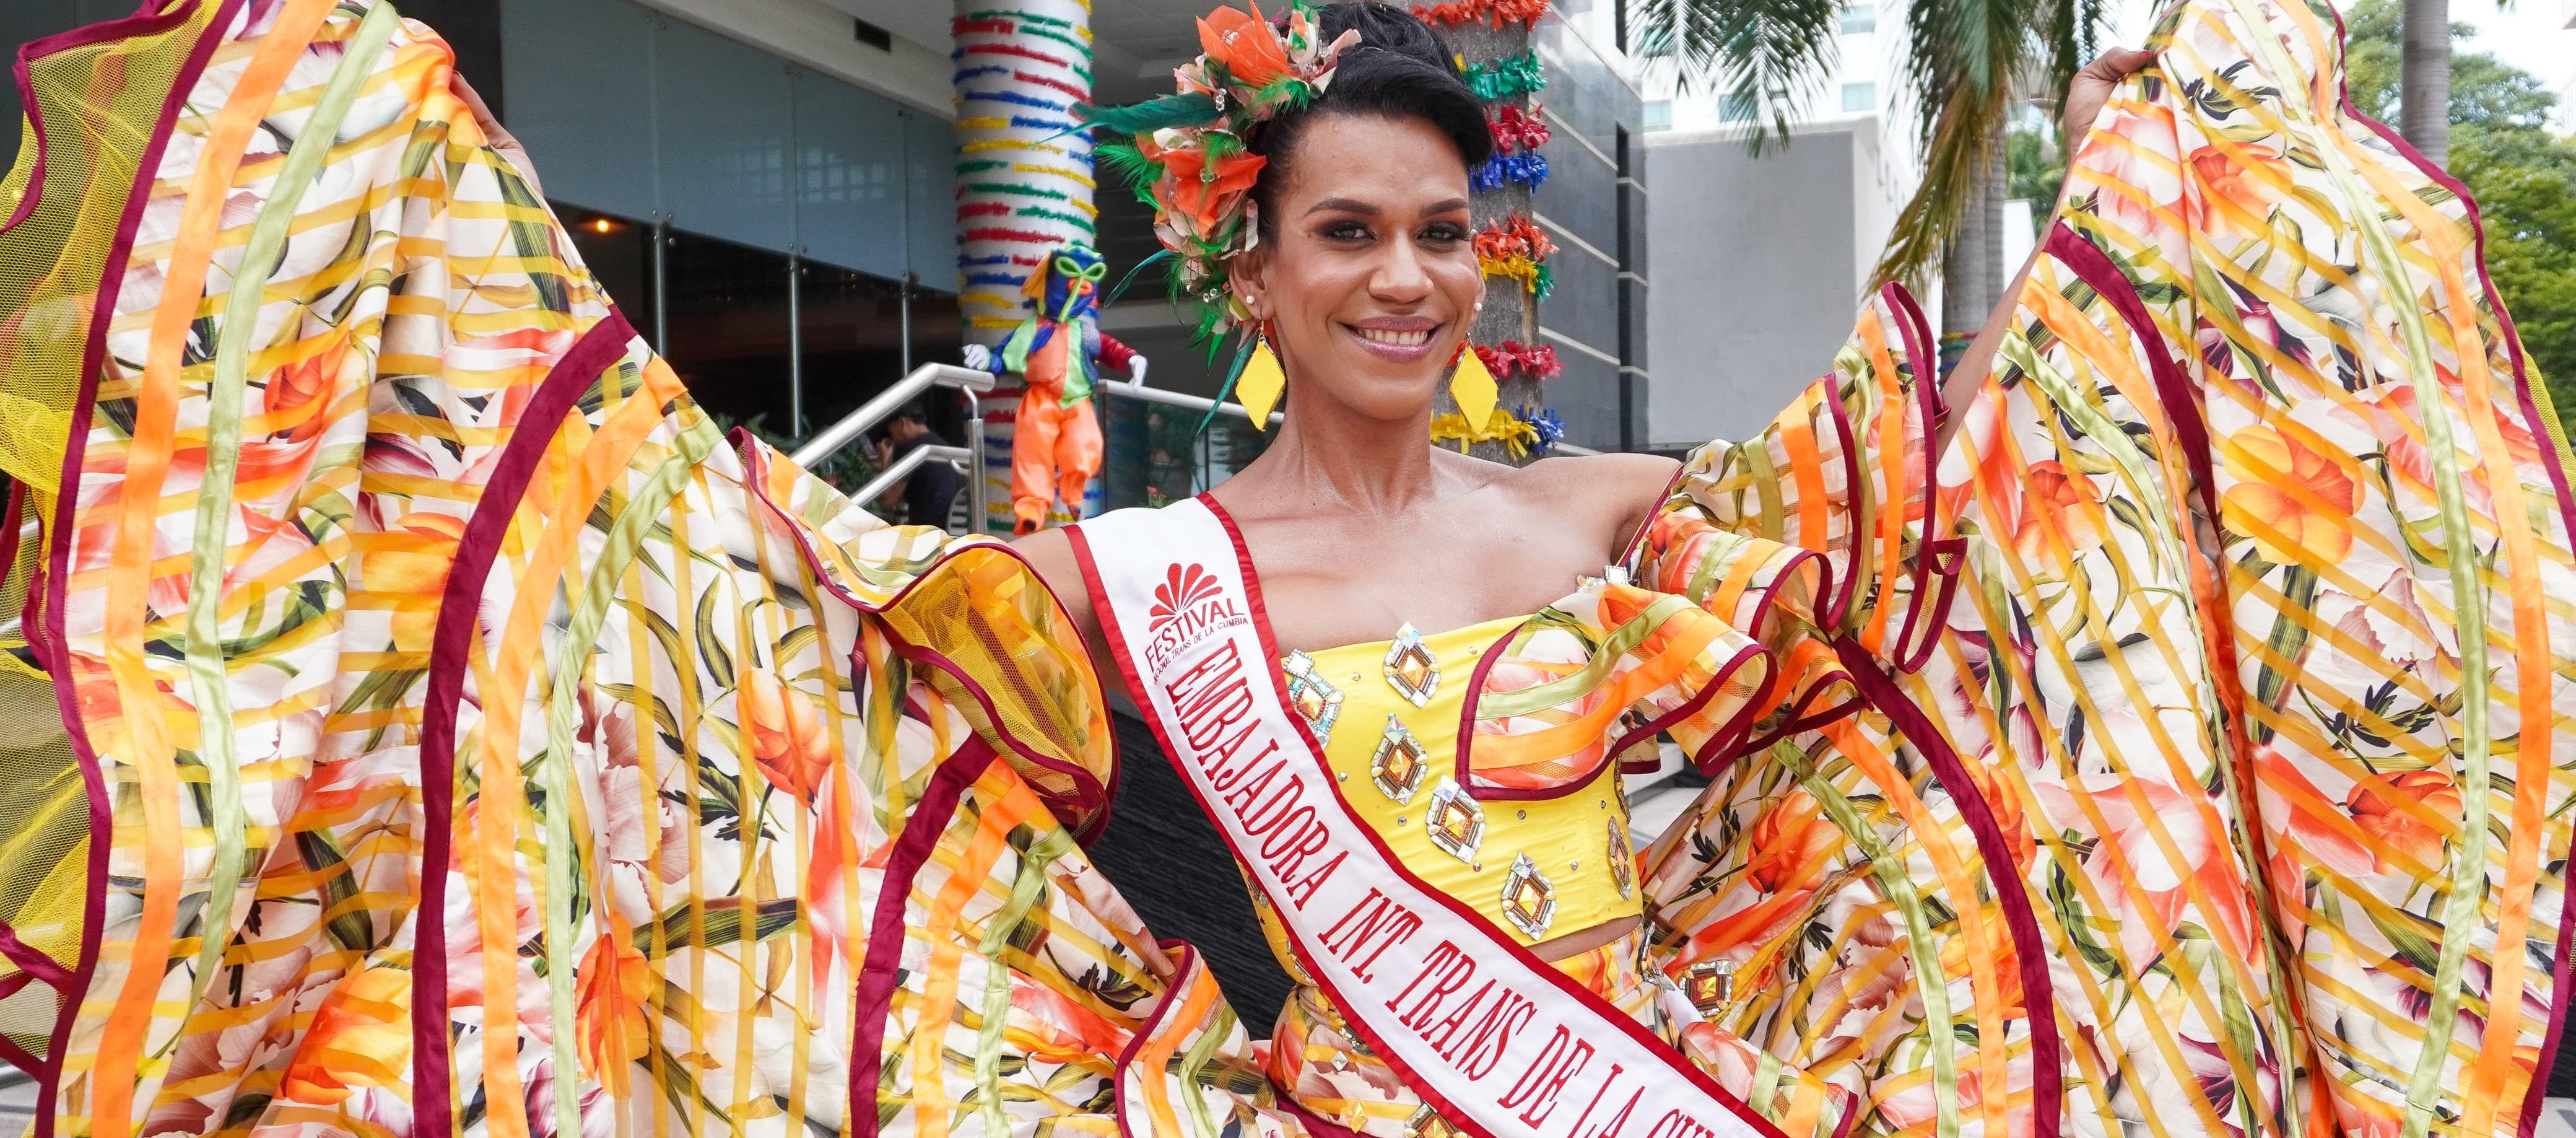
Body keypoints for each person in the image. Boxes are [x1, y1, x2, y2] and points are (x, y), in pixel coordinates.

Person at [7, 1, 2572, 1136]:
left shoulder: (1617, 514)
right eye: (1345, 231)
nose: (1401, 280)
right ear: (1249, 270)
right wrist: (445, 290)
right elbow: (757, 623)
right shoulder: (1118, 573)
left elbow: (1956, 545)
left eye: (1443, 233)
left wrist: (2162, 209)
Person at [872, 404, 965, 530]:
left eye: (892, 432)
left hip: (927, 531)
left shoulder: (913, 449)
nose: (893, 439)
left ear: (902, 424)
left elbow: (888, 501)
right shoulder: (941, 445)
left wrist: (885, 461)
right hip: (954, 530)